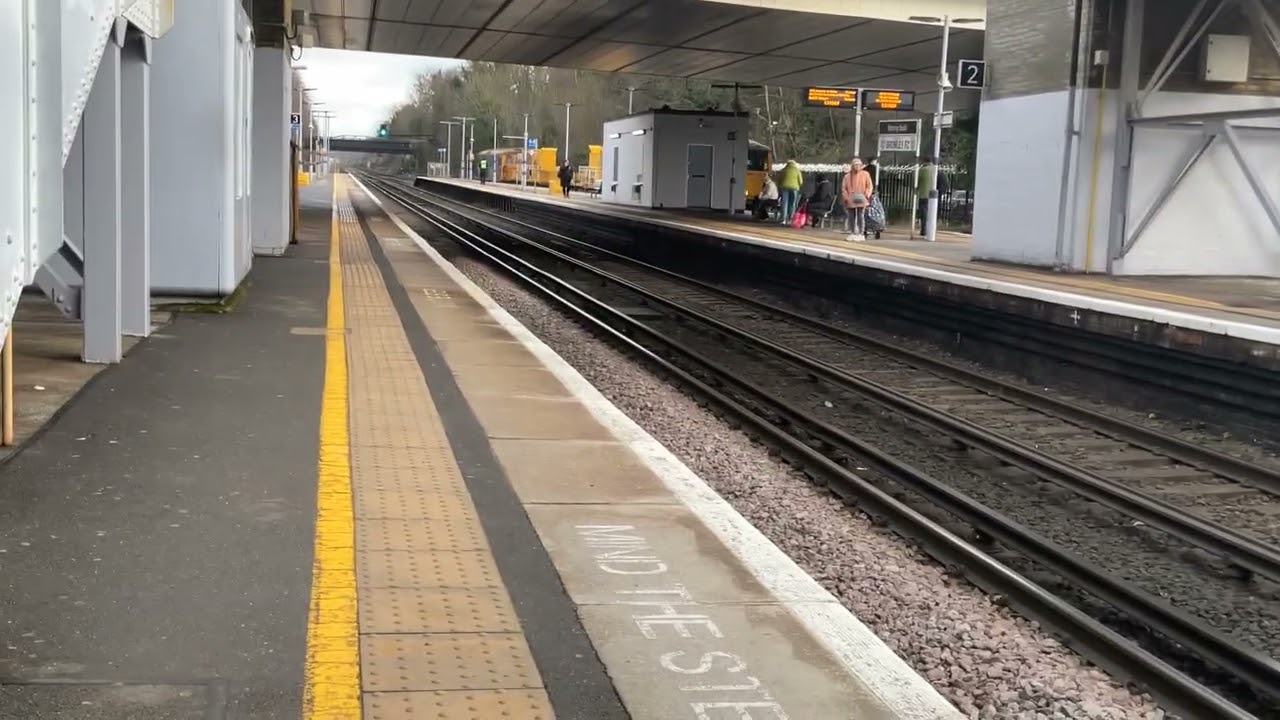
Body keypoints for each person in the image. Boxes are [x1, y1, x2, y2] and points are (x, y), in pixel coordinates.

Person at [840, 158, 874, 241]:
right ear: (852, 166)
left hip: (862, 198)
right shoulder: (847, 176)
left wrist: (866, 195)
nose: (857, 166)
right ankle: (852, 232)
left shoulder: (865, 174)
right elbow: (843, 188)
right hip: (851, 198)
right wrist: (846, 197)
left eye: (859, 165)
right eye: (855, 165)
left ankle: (861, 233)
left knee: (860, 215)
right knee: (851, 216)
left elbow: (869, 186)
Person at [776, 159, 803, 225]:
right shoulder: (797, 170)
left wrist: (780, 185)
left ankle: (783, 219)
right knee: (792, 203)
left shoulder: (784, 170)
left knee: (784, 203)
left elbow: (779, 180)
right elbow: (801, 181)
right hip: (794, 188)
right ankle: (791, 219)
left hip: (784, 187)